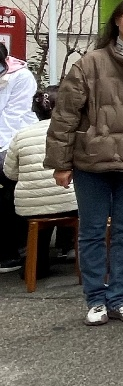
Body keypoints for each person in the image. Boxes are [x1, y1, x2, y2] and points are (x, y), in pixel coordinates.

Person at [45, 0, 123, 325]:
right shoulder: (91, 62)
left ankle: (120, 298)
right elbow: (65, 115)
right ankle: (95, 300)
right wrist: (61, 163)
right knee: (92, 231)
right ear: (116, 21)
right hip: (91, 162)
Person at [4, 87, 77, 278]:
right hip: (70, 202)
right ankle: (73, 251)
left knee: (39, 222)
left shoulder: (21, 135)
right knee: (72, 202)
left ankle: (35, 266)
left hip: (31, 207)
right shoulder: (72, 132)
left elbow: (10, 173)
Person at [0, 41, 38, 272]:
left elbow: (12, 118)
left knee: (11, 192)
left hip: (12, 143)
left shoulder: (20, 77)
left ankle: (14, 251)